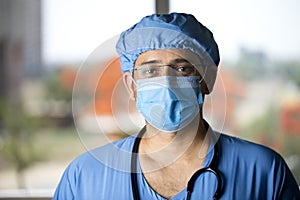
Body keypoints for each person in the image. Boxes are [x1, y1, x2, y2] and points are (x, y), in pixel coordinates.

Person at [53, 13, 300, 200]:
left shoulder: (264, 171)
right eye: (150, 70)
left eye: (182, 69)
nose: (166, 83)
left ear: (206, 81)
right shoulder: (83, 177)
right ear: (131, 86)